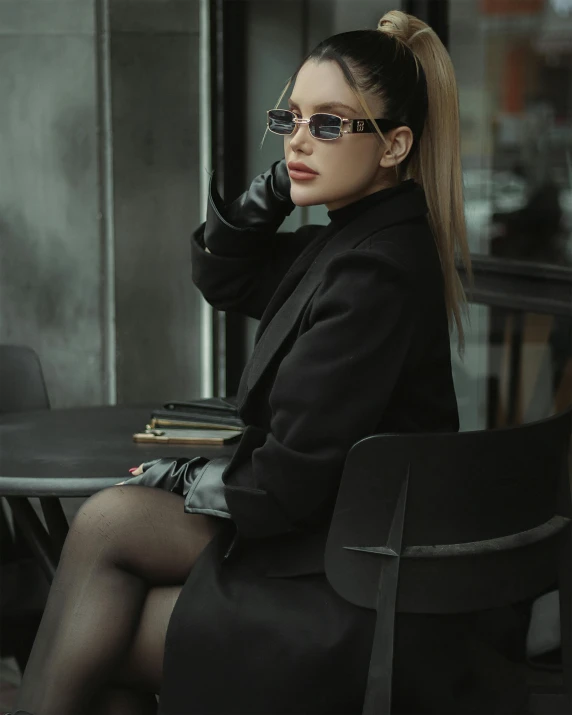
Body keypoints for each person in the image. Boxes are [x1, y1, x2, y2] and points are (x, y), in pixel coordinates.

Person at [11, 10, 529, 715]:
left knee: (100, 585)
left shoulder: (375, 271)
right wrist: (284, 185)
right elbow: (225, 277)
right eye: (290, 120)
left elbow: (288, 482)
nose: (298, 142)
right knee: (103, 570)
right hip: (336, 550)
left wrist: (186, 475)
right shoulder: (353, 242)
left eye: (329, 124)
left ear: (394, 145)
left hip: (355, 589)